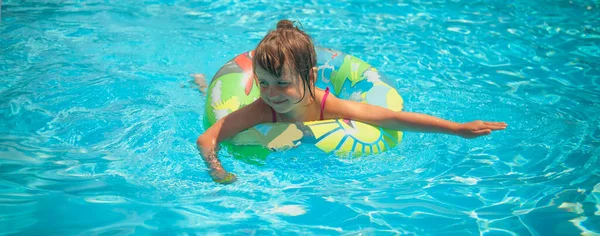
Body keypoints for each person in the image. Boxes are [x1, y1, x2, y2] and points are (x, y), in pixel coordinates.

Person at [195, 19, 507, 184]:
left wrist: (456, 128)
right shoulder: (262, 107)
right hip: (248, 114)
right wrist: (218, 172)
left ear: (312, 78)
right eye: (262, 83)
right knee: (207, 92)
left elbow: (387, 118)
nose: (271, 93)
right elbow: (207, 138)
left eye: (282, 84)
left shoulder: (325, 105)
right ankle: (202, 84)